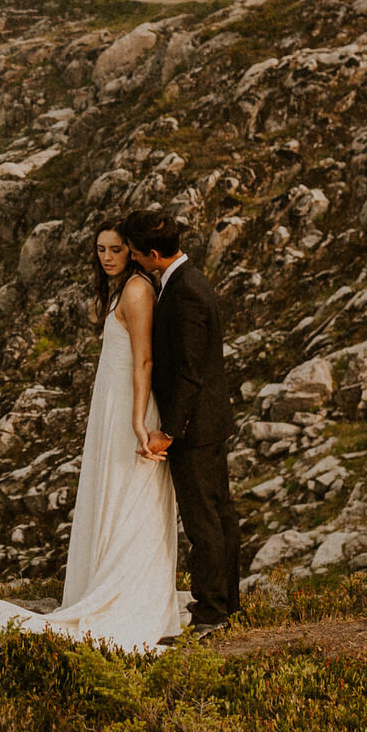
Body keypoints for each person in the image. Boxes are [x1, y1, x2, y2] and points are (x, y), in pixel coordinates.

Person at [0, 224, 188, 651]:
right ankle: (113, 585)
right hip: (114, 403)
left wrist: (140, 423)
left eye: (117, 249)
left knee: (131, 495)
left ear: (134, 252)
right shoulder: (124, 289)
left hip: (130, 405)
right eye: (101, 250)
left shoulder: (137, 291)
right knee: (116, 492)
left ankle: (133, 599)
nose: (107, 257)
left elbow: (144, 361)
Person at [124, 210, 240, 633]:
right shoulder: (187, 279)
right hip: (209, 422)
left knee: (203, 520)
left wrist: (168, 431)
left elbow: (190, 372)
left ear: (153, 254)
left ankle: (211, 614)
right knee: (220, 514)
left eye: (136, 254)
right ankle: (228, 603)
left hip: (195, 428)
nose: (133, 260)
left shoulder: (186, 292)